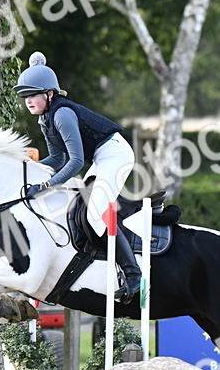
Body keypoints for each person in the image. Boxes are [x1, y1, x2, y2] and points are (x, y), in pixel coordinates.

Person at [14, 51, 142, 303]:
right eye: (25, 96)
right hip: (101, 158)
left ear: (49, 94)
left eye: (33, 95)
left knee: (95, 214)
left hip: (115, 154)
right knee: (80, 210)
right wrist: (27, 168)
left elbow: (75, 161)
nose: (28, 100)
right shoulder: (45, 118)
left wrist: (45, 186)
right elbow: (57, 159)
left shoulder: (61, 114)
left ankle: (133, 275)